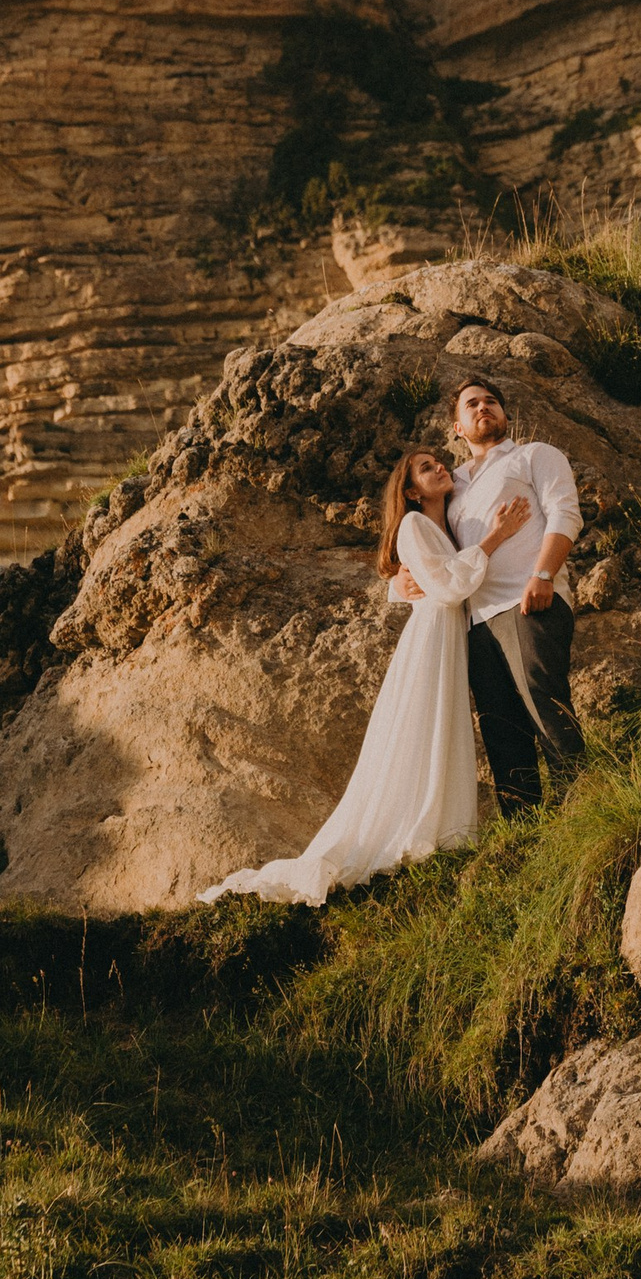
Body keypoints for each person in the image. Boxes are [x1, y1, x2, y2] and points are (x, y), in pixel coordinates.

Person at [197, 449, 533, 905]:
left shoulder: (445, 526)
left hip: (451, 634)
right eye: (426, 467)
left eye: (440, 462)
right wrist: (496, 537)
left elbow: (433, 576)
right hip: (433, 637)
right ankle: (413, 830)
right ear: (410, 491)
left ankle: (439, 828)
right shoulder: (414, 524)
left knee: (440, 729)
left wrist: (401, 583)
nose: (439, 467)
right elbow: (451, 586)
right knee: (422, 729)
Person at [394, 378, 584, 811]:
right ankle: (524, 830)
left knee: (545, 703)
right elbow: (426, 536)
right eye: (472, 404)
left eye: (491, 401)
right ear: (457, 428)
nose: (483, 407)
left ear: (504, 414)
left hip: (528, 599)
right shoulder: (452, 482)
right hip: (475, 621)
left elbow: (565, 514)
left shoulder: (534, 455)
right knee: (500, 728)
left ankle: (584, 805)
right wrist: (399, 581)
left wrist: (544, 574)